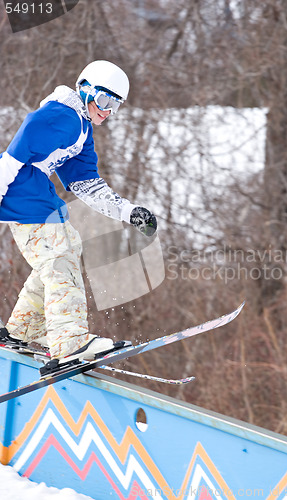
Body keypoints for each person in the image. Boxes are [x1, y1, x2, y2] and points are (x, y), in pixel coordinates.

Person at [0, 60, 157, 375]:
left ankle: (22, 329)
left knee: (67, 248)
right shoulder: (63, 115)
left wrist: (128, 211)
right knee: (60, 256)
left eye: (115, 106)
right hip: (22, 192)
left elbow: (88, 185)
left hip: (36, 195)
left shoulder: (82, 130)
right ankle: (69, 342)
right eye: (104, 101)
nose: (108, 111)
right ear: (86, 90)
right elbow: (15, 152)